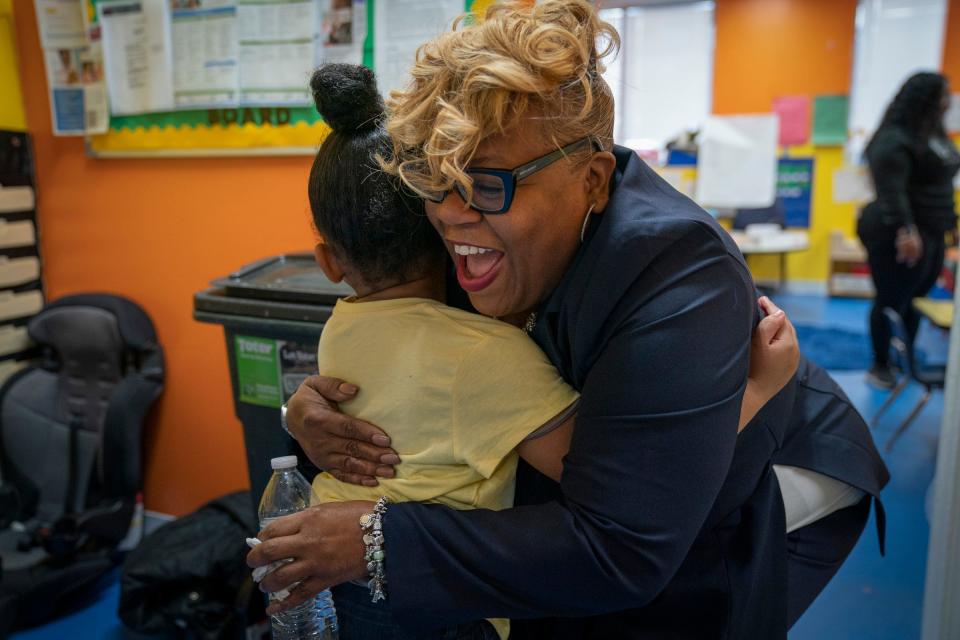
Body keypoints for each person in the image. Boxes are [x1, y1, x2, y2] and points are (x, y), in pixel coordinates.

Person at [249, 2, 889, 637]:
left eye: (488, 181)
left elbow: (621, 542)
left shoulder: (678, 276)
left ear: (594, 180)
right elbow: (407, 359)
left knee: (685, 599)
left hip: (774, 452)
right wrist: (307, 416)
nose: (450, 214)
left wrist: (379, 541)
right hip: (611, 467)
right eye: (434, 179)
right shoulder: (465, 216)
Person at [858, 71, 960, 389]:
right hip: (896, 233)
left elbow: (942, 187)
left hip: (932, 231)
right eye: (943, 95)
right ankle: (880, 365)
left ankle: (906, 360)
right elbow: (892, 190)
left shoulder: (934, 136)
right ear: (925, 98)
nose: (948, 101)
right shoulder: (894, 138)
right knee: (890, 299)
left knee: (916, 299)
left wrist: (952, 225)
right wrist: (906, 231)